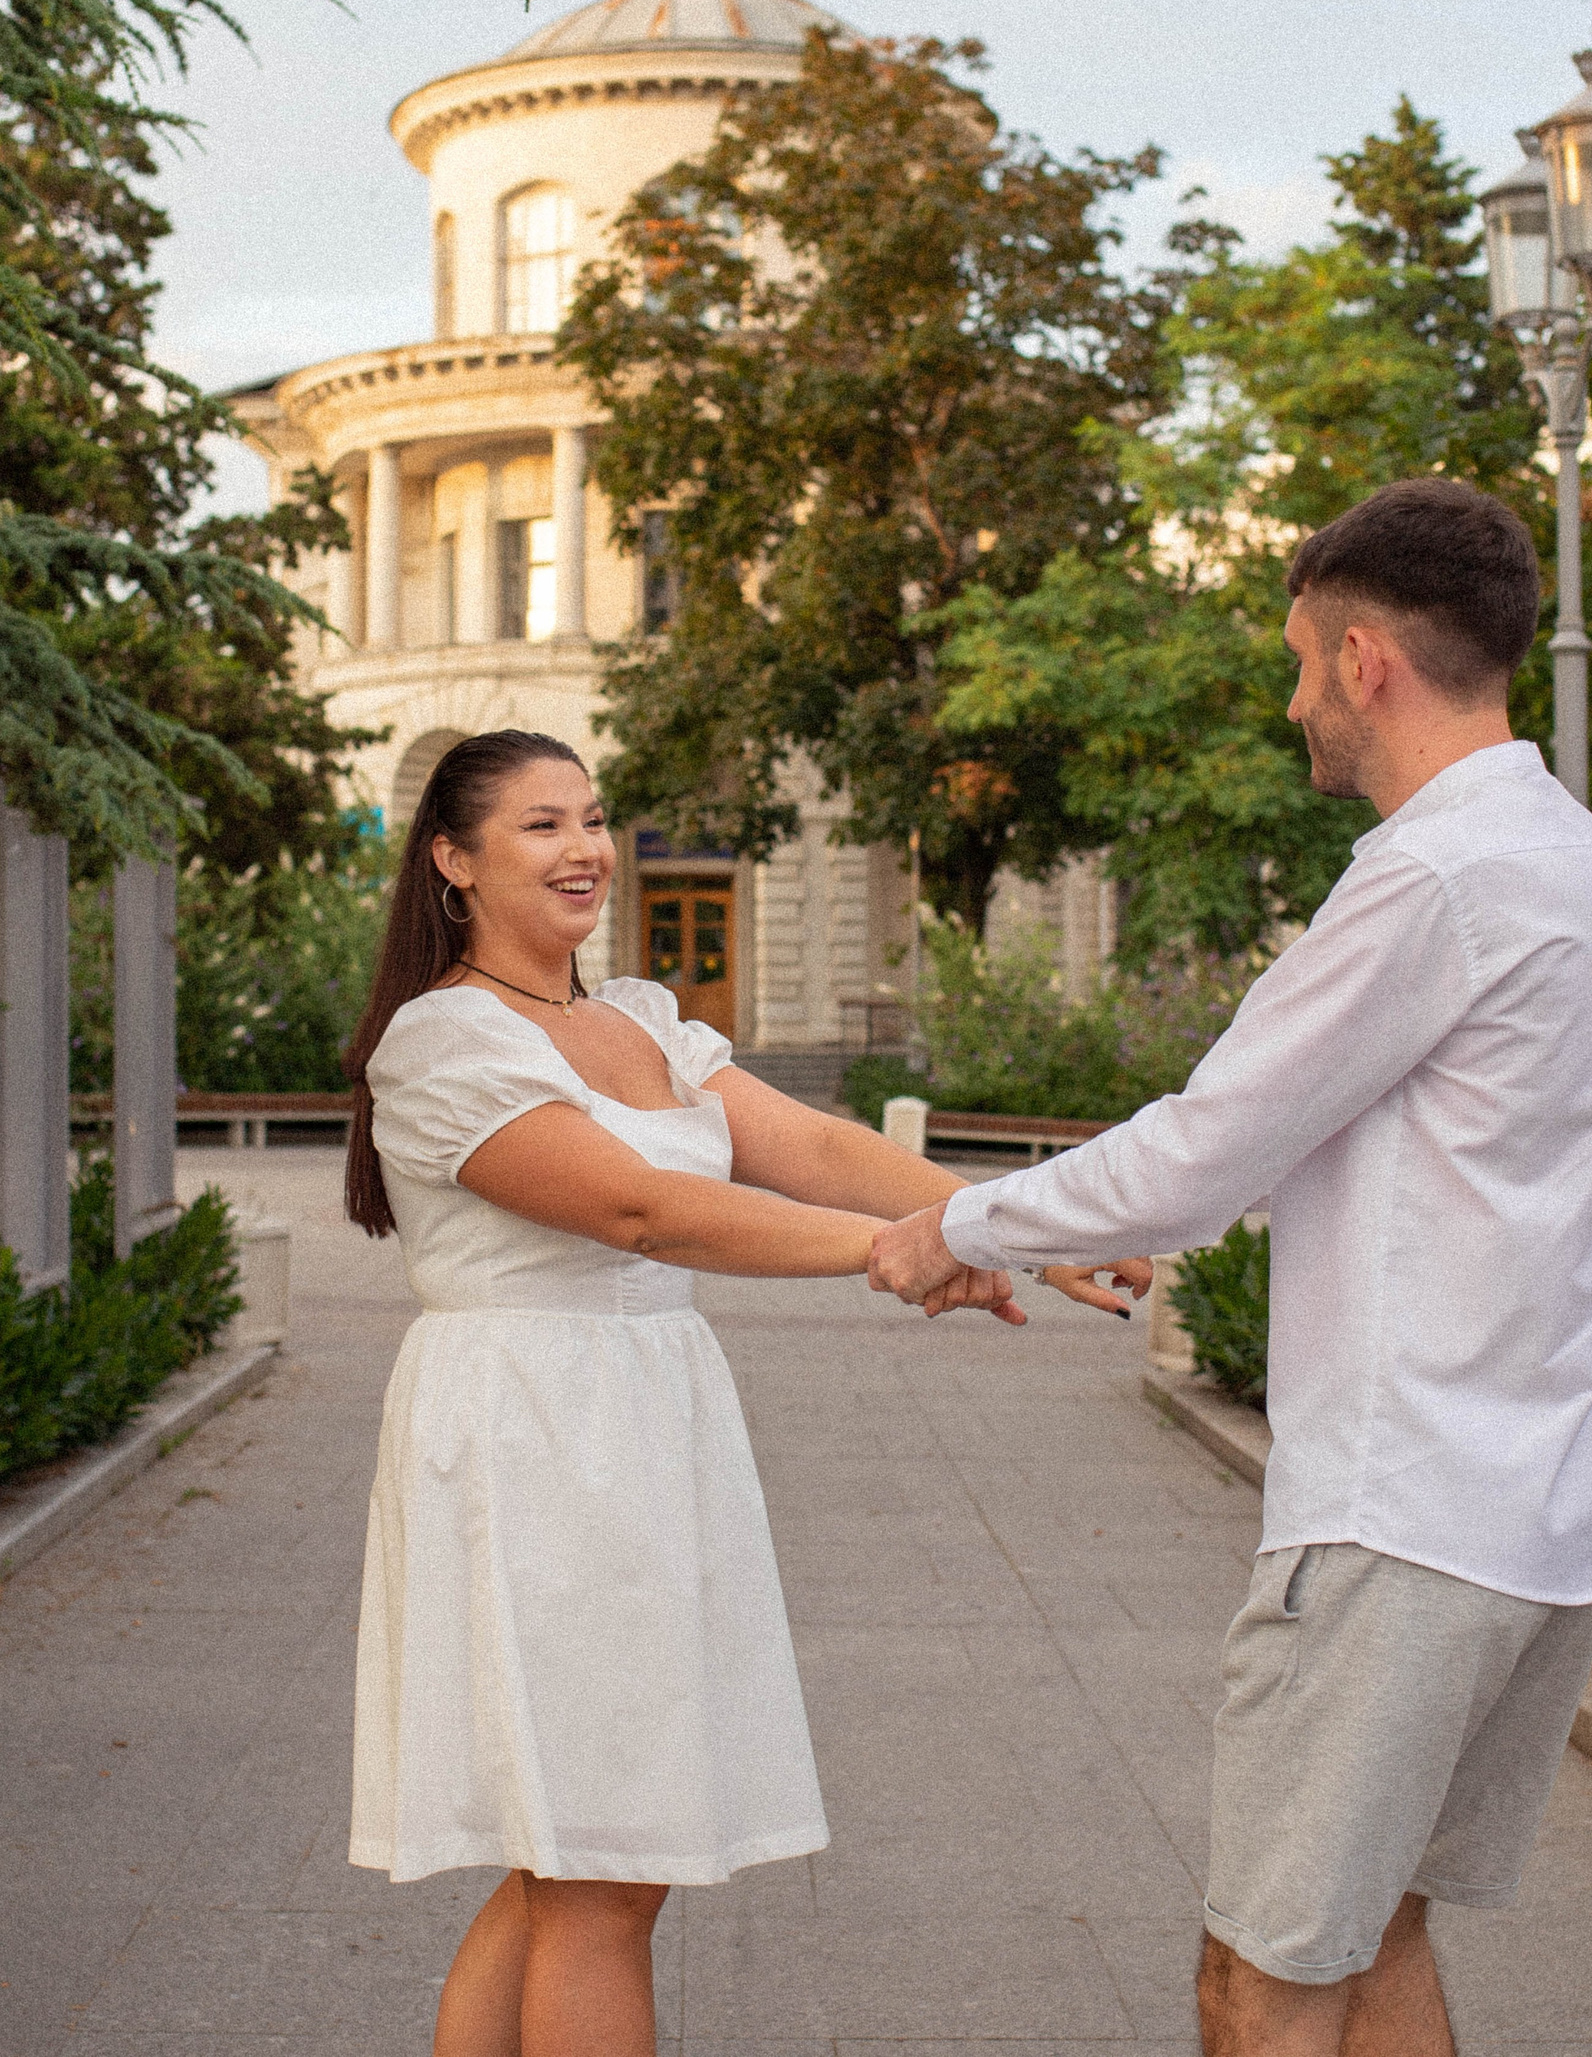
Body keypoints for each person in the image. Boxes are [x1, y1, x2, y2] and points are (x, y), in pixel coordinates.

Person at [872, 478, 1592, 2057]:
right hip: (1541, 1523)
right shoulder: (1589, 868)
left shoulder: (1429, 876)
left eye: (1303, 662)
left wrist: (948, 1226)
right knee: (1377, 1937)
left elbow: (1206, 1140)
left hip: (1396, 1524)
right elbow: (1431, 1154)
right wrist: (1130, 1216)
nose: (1296, 699)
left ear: (1367, 659)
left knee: (1263, 1981)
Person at [342, 729, 1137, 2057]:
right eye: (542, 824)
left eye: (593, 818)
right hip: (535, 1441)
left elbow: (812, 1144)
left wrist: (1025, 1222)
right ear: (453, 859)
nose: (586, 848)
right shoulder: (440, 1041)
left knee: (578, 1858)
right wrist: (906, 1252)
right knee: (602, 1861)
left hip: (646, 1428)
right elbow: (642, 1210)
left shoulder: (640, 1019)